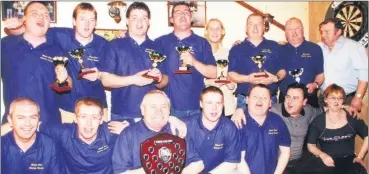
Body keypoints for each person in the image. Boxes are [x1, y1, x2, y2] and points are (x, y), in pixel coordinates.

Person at [0, 96, 187, 174]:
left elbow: (144, 120)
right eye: (83, 117)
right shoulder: (62, 132)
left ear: (101, 119)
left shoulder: (111, 130)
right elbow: (28, 124)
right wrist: (6, 126)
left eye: (94, 117)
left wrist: (170, 117)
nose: (89, 124)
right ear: (75, 118)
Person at [4, 2, 108, 123]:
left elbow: (109, 76)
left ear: (95, 23)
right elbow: (34, 30)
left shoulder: (104, 45)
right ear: (73, 21)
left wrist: (99, 75)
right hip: (67, 110)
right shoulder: (60, 36)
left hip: (94, 109)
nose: (87, 24)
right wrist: (16, 28)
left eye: (91, 20)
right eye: (82, 19)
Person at [231, 83, 359, 173]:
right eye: (288, 97)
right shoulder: (274, 111)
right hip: (279, 163)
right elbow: (258, 107)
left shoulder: (309, 111)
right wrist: (239, 110)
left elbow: (326, 108)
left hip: (301, 161)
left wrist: (344, 106)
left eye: (295, 98)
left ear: (304, 102)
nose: (290, 101)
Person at [1, 1, 71, 125]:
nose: (41, 17)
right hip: (13, 125)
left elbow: (66, 87)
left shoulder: (58, 50)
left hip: (48, 125)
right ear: (24, 19)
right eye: (35, 14)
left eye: (45, 15)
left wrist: (64, 80)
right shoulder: (6, 45)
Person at [99, 2, 168, 122]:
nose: (139, 23)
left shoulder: (158, 47)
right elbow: (105, 80)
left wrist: (160, 77)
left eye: (144, 18)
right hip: (121, 114)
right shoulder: (114, 45)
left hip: (151, 116)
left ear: (149, 22)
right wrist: (134, 80)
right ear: (127, 21)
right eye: (134, 18)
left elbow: (164, 82)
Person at [112, 90, 204, 174]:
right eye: (153, 107)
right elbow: (120, 172)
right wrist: (154, 168)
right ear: (143, 110)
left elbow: (198, 163)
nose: (159, 111)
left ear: (169, 111)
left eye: (163, 107)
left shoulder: (177, 130)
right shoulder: (128, 135)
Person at [155, 1, 217, 118]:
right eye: (178, 13)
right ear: (172, 19)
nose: (182, 15)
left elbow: (214, 73)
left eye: (186, 12)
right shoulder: (160, 42)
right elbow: (160, 80)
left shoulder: (202, 43)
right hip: (169, 107)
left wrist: (194, 62)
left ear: (191, 17)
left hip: (197, 107)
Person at [228, 13, 286, 109]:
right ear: (246, 28)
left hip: (270, 100)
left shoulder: (275, 46)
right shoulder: (236, 48)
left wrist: (276, 78)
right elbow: (231, 74)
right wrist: (248, 79)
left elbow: (282, 70)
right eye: (251, 24)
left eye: (258, 24)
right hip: (244, 101)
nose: (255, 27)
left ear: (264, 27)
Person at [307, 84, 368, 174]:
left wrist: (360, 157)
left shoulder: (351, 117)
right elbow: (310, 145)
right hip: (328, 161)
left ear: (343, 100)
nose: (336, 101)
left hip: (349, 160)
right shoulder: (318, 121)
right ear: (325, 100)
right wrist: (322, 155)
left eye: (339, 98)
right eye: (332, 98)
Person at [182, 86, 241, 173]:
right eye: (209, 103)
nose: (214, 108)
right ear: (201, 104)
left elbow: (232, 162)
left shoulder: (229, 127)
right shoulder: (186, 124)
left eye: (218, 103)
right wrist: (172, 119)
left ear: (223, 104)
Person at [236, 84, 291, 174]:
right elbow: (239, 160)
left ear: (270, 103)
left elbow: (285, 152)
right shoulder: (238, 122)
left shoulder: (277, 121)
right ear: (247, 100)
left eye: (265, 98)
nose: (260, 100)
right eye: (255, 96)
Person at [1, 98, 65, 174]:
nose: (27, 123)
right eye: (21, 118)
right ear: (10, 120)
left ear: (38, 119)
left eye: (33, 117)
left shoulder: (50, 145)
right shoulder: (2, 145)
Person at [318, 18, 368, 111]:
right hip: (324, 99)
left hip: (346, 100)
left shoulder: (353, 47)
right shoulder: (318, 47)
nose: (323, 35)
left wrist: (358, 97)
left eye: (327, 31)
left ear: (338, 32)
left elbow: (364, 73)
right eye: (322, 32)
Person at [279, 17, 324, 108]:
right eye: (290, 29)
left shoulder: (315, 49)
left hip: (309, 99)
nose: (294, 32)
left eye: (297, 28)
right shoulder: (279, 50)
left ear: (303, 30)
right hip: (286, 99)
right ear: (286, 33)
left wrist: (315, 85)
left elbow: (320, 75)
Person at [204, 18, 237, 117]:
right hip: (206, 107)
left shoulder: (229, 53)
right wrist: (207, 82)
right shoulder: (200, 53)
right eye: (211, 28)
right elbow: (194, 79)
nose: (215, 31)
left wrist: (233, 85)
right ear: (206, 32)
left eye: (218, 28)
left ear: (222, 32)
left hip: (227, 106)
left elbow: (234, 77)